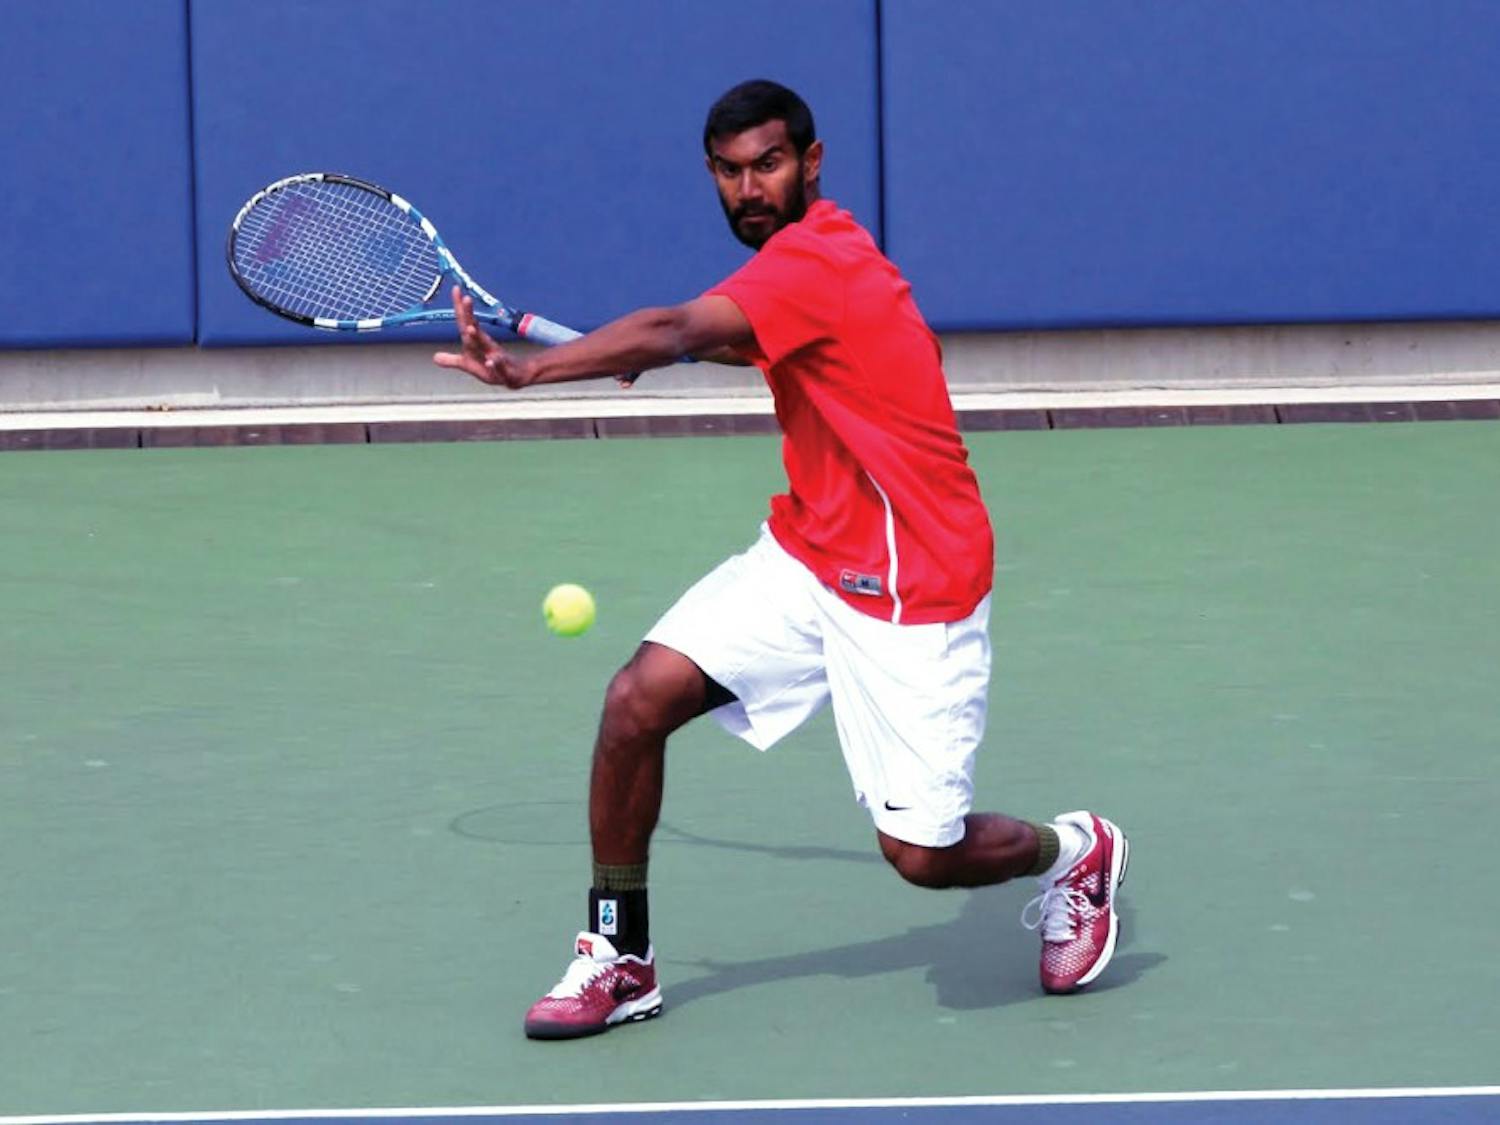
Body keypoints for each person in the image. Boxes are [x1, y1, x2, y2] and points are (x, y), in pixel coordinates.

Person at [434, 79, 1129, 1041]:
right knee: (637, 699)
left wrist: (537, 368)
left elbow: (681, 328)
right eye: (729, 172)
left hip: (913, 584)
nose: (749, 187)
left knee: (923, 856)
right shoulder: (799, 272)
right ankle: (620, 955)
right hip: (811, 554)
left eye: (768, 164)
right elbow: (739, 340)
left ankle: (1075, 851)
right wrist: (659, 350)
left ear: (812, 161)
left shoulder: (819, 258)